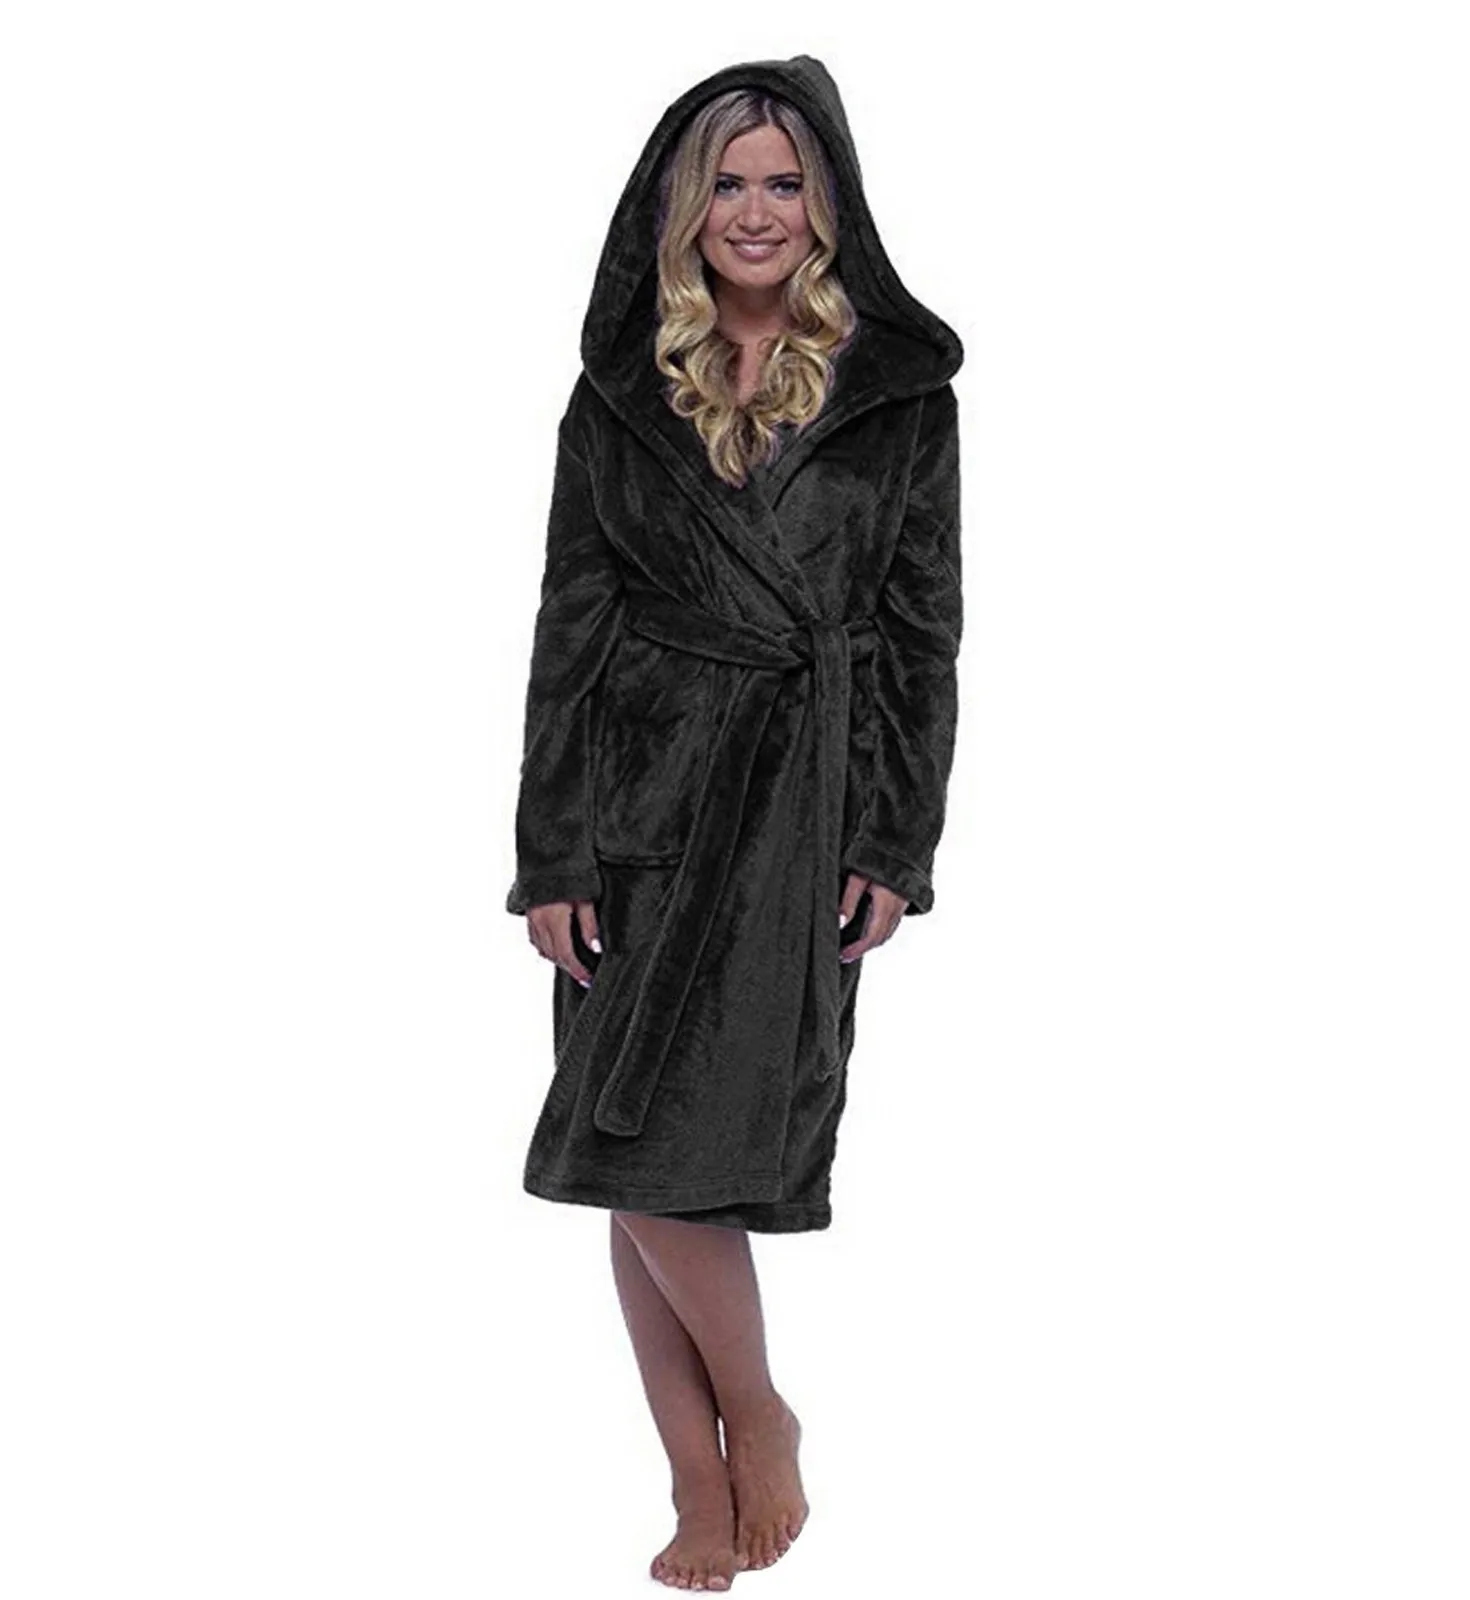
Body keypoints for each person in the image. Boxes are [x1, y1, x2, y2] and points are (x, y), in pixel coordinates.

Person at [505, 54, 963, 1589]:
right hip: (638, 804)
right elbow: (569, 624)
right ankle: (715, 1458)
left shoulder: (899, 396)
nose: (755, 212)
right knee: (616, 1152)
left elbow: (921, 632)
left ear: (827, 205)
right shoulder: (622, 391)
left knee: (682, 1157)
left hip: (796, 812)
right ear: (682, 209)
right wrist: (554, 851)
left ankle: (747, 1426)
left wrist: (892, 838)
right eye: (727, 185)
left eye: (784, 182)